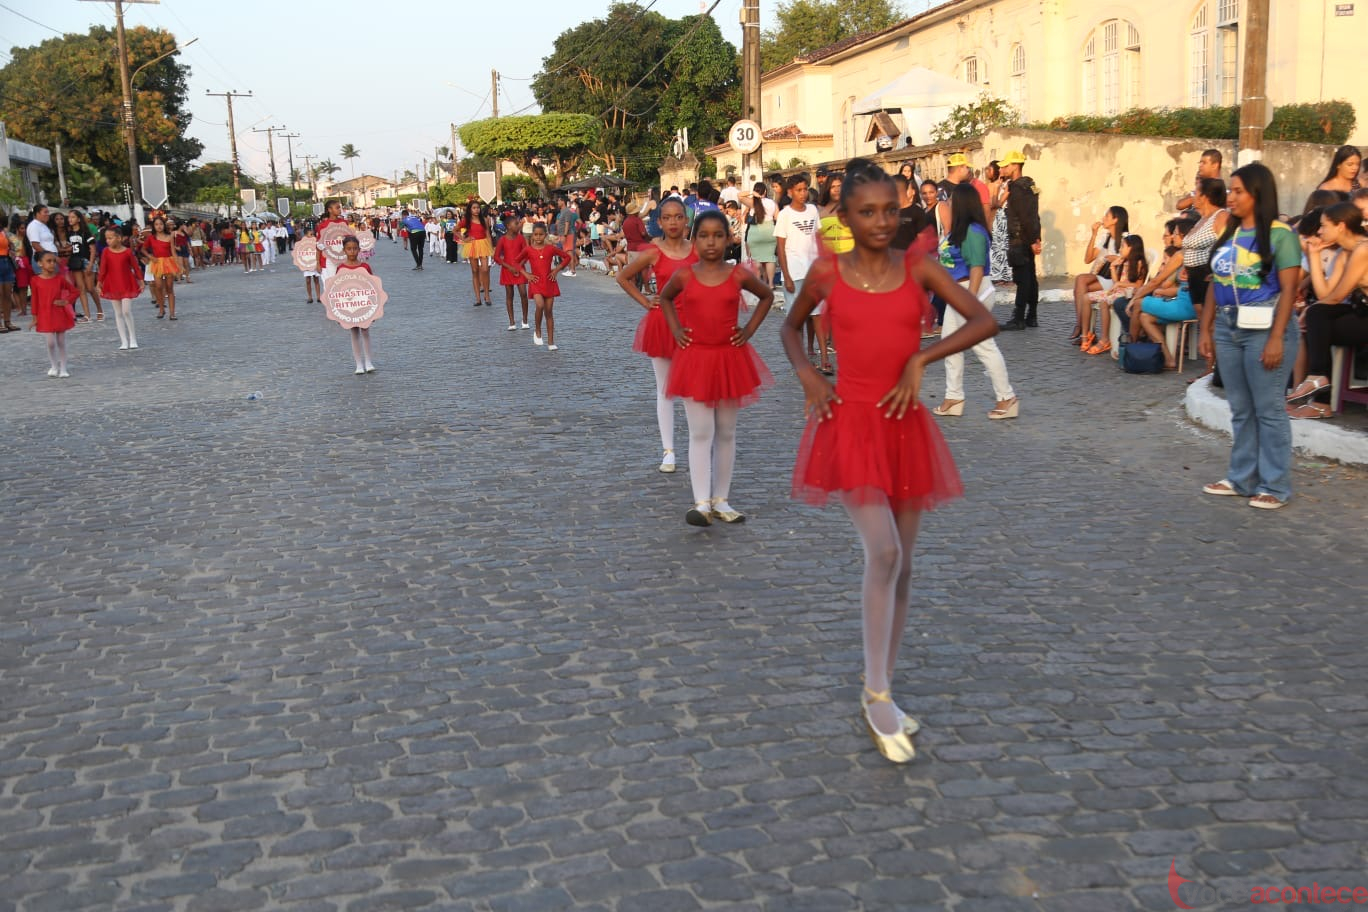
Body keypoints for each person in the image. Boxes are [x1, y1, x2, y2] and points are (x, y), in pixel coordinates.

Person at [779, 158, 997, 765]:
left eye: (890, 211)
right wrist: (808, 376)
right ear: (846, 218)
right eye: (867, 212)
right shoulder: (827, 272)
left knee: (903, 566)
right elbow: (791, 329)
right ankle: (875, 692)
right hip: (849, 425)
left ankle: (884, 685)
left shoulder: (918, 267)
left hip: (904, 426)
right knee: (883, 552)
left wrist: (922, 360)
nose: (880, 221)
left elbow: (984, 319)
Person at [657, 210, 775, 525]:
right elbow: (665, 299)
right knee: (700, 432)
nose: (711, 242)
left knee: (726, 431)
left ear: (729, 239)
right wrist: (676, 330)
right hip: (694, 360)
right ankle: (701, 503)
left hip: (729, 359)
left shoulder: (738, 275)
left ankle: (721, 499)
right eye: (704, 236)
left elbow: (766, 296)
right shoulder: (684, 275)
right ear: (694, 240)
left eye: (718, 235)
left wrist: (748, 331)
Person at [1198, 162, 1301, 510]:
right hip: (1228, 326)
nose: (1231, 196)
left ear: (1258, 193)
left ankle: (1275, 485)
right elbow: (1215, 283)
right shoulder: (1229, 233)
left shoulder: (1281, 235)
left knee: (1268, 409)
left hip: (1266, 325)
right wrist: (1206, 328)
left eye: (1238, 191)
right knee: (1240, 409)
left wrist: (1276, 337)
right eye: (1231, 190)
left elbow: (1289, 290)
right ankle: (1241, 479)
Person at [616, 198, 697, 474]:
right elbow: (623, 277)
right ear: (659, 222)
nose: (673, 222)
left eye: (678, 217)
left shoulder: (697, 250)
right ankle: (668, 451)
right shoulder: (654, 251)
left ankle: (697, 447)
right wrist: (645, 302)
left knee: (692, 389)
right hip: (663, 323)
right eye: (667, 217)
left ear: (686, 220)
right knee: (665, 389)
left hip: (692, 324)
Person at [932, 183, 1019, 419]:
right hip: (958, 292)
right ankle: (954, 396)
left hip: (972, 291)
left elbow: (977, 267)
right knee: (949, 343)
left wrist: (969, 301)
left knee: (983, 346)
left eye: (951, 200)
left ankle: (1007, 397)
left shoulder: (973, 231)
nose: (947, 204)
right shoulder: (960, 230)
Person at [1286, 202, 1368, 418]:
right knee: (1318, 318)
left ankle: (1319, 394)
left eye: (1324, 226)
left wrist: (1310, 310)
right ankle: (1319, 389)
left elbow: (1337, 296)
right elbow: (1325, 295)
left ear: (1340, 226)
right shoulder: (1344, 254)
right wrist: (1313, 255)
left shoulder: (1363, 250)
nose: (1320, 231)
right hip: (1362, 312)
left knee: (1317, 317)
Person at [775, 173, 820, 361]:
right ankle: (799, 352)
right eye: (799, 190)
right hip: (794, 271)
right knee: (797, 315)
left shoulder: (813, 210)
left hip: (813, 270)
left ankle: (813, 349)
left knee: (815, 313)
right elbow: (781, 247)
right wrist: (786, 275)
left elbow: (817, 238)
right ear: (790, 192)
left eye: (805, 189)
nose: (803, 194)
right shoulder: (784, 215)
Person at [1071, 206, 1129, 346]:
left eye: (1107, 216)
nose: (1103, 218)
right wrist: (1094, 234)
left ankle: (1083, 329)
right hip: (1103, 276)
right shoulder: (1106, 237)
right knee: (1080, 282)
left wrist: (1116, 258)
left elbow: (1131, 261)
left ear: (1115, 220)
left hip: (1116, 279)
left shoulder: (1126, 239)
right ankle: (1084, 329)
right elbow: (1088, 259)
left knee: (1081, 283)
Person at [1084, 234, 1147, 355]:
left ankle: (1105, 339)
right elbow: (1115, 281)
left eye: (1123, 246)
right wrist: (1113, 267)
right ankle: (1086, 335)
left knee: (1104, 303)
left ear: (1131, 248)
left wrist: (1120, 284)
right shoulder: (1123, 262)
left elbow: (1138, 285)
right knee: (1086, 297)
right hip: (1116, 291)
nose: (1120, 249)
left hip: (1127, 294)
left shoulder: (1139, 264)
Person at [999, 150, 1041, 330]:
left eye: (1006, 165)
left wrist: (1032, 240)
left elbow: (1025, 217)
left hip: (1019, 239)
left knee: (1022, 279)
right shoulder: (1029, 186)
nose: (1003, 169)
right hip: (1029, 237)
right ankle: (1032, 316)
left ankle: (1019, 318)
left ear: (1015, 166)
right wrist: (1036, 238)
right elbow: (1034, 215)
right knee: (1030, 277)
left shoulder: (1017, 189)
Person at [517, 223, 568, 350]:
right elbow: (515, 262)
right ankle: (537, 330)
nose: (538, 237)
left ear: (545, 235)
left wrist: (556, 270)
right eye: (536, 234)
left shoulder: (550, 248)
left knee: (549, 312)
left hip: (549, 281)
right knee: (539, 305)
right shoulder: (528, 250)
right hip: (535, 282)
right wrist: (526, 274)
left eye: (541, 234)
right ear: (532, 235)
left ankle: (551, 342)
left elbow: (567, 257)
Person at [29, 250, 78, 378]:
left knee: (61, 341)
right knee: (50, 342)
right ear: (40, 263)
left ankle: (63, 368)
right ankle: (54, 366)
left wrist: (66, 301)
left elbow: (75, 291)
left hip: (59, 313)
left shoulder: (59, 279)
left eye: (54, 261)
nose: (52, 264)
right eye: (48, 261)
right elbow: (34, 299)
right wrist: (35, 317)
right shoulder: (35, 280)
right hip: (45, 314)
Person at [333, 236, 378, 375]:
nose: (352, 251)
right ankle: (358, 363)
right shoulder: (341, 268)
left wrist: (374, 309)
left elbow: (373, 287)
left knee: (365, 331)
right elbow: (336, 290)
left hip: (364, 304)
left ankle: (368, 361)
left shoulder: (365, 267)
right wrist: (338, 312)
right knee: (354, 332)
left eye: (354, 249)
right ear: (344, 250)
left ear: (359, 249)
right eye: (349, 249)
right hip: (349, 306)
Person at [96, 225, 144, 351]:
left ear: (119, 238)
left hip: (126, 283)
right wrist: (99, 282)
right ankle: (123, 340)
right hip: (112, 283)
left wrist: (141, 280)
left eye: (110, 238)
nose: (108, 241)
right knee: (118, 313)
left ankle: (133, 338)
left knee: (126, 311)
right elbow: (103, 268)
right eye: (106, 238)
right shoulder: (106, 252)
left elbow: (135, 266)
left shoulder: (127, 251)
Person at [494, 214, 530, 330]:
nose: (519, 225)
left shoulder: (521, 238)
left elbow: (526, 253)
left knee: (523, 293)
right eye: (516, 224)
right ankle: (512, 321)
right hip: (507, 269)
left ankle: (525, 320)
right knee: (509, 295)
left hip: (520, 269)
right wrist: (509, 267)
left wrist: (519, 266)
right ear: (509, 226)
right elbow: (496, 257)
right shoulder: (502, 240)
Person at [742, 182, 779, 297]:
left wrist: (752, 193)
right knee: (770, 258)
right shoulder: (772, 203)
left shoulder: (753, 202)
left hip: (755, 231)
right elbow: (777, 217)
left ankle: (758, 283)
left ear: (755, 191)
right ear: (765, 191)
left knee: (756, 259)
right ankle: (771, 284)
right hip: (770, 230)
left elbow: (740, 196)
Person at [64, 210, 99, 323]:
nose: (70, 219)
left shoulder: (85, 232)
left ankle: (99, 309)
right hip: (75, 261)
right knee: (81, 288)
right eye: (69, 217)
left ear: (78, 219)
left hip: (86, 260)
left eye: (73, 217)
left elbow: (92, 249)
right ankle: (87, 315)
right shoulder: (69, 233)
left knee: (90, 288)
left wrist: (91, 263)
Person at [144, 216, 182, 320]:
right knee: (158, 286)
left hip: (168, 263)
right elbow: (143, 249)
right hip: (156, 263)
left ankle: (172, 313)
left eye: (161, 224)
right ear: (153, 226)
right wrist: (150, 257)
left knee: (169, 288)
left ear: (164, 225)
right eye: (156, 224)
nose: (159, 226)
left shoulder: (169, 237)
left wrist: (178, 265)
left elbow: (173, 252)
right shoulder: (151, 238)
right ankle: (161, 309)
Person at [462, 201, 495, 307]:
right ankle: (478, 298)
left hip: (484, 245)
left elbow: (488, 234)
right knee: (475, 271)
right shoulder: (466, 221)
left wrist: (491, 250)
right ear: (470, 209)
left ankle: (487, 296)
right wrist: (464, 239)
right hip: (472, 246)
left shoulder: (484, 220)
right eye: (474, 208)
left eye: (478, 208)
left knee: (485, 270)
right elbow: (455, 230)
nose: (477, 210)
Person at [554, 198, 579, 277]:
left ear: (563, 201)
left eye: (559, 200)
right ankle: (570, 269)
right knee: (566, 252)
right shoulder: (562, 211)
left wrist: (564, 235)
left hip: (568, 234)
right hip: (563, 234)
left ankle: (572, 270)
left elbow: (567, 223)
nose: (558, 202)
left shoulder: (567, 211)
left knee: (569, 252)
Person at [299, 224, 323, 304]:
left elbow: (319, 250)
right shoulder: (302, 243)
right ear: (306, 235)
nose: (312, 236)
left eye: (313, 234)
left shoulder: (316, 242)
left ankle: (318, 296)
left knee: (316, 279)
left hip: (314, 262)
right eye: (311, 234)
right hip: (307, 263)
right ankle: (310, 297)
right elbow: (299, 254)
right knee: (308, 280)